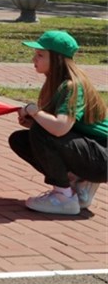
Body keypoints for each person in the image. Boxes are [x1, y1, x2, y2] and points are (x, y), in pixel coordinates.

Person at [10, 31, 106, 215]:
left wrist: (34, 112)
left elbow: (60, 128)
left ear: (56, 59)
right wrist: (33, 122)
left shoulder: (72, 86)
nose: (34, 59)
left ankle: (64, 197)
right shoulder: (57, 84)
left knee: (40, 131)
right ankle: (76, 185)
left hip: (103, 157)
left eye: (40, 55)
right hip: (93, 150)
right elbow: (60, 129)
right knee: (21, 139)